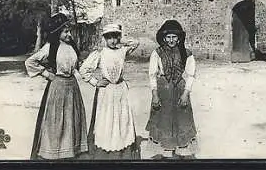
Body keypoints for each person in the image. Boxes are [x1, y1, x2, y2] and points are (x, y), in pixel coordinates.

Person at [25, 13, 88, 160]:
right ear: (57, 33)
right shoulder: (50, 47)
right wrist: (47, 75)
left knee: (72, 118)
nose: (69, 34)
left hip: (72, 87)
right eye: (65, 32)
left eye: (69, 31)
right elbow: (30, 62)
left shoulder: (72, 47)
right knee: (57, 120)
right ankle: (55, 152)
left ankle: (71, 150)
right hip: (58, 87)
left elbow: (78, 66)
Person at [79, 23, 140, 159]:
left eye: (115, 37)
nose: (112, 41)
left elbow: (136, 43)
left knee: (122, 117)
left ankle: (122, 147)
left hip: (121, 89)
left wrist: (121, 39)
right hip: (107, 91)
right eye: (109, 37)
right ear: (104, 39)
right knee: (107, 118)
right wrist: (96, 82)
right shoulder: (100, 53)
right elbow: (84, 70)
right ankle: (107, 149)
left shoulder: (122, 51)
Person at [145, 20, 198, 159]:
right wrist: (155, 95)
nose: (171, 40)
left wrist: (186, 94)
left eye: (174, 37)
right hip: (163, 90)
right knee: (164, 119)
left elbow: (191, 75)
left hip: (180, 90)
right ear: (163, 38)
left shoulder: (186, 53)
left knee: (182, 119)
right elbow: (152, 75)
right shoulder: (157, 53)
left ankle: (181, 151)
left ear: (179, 38)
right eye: (168, 37)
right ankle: (166, 152)